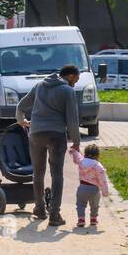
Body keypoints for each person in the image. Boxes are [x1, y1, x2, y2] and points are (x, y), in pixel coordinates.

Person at [15, 63, 81, 226]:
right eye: (76, 79)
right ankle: (54, 215)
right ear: (70, 76)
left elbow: (21, 106)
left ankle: (39, 209)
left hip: (36, 133)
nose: (76, 83)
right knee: (57, 174)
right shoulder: (67, 91)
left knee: (38, 172)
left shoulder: (39, 86)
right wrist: (76, 142)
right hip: (56, 135)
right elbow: (72, 119)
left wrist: (20, 121)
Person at [69, 143, 110, 229]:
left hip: (82, 188)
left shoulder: (81, 161)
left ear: (85, 154)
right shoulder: (98, 166)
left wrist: (74, 151)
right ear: (97, 155)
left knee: (80, 204)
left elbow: (77, 157)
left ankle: (81, 220)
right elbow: (103, 181)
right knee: (94, 205)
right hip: (94, 189)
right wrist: (105, 192)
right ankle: (93, 219)